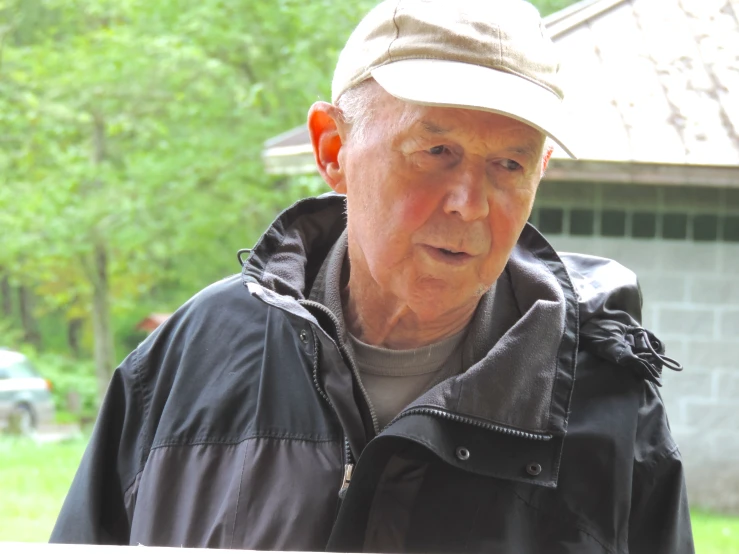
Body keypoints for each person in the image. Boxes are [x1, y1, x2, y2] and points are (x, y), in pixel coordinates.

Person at [51, 0, 694, 552]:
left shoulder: (606, 402)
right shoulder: (191, 359)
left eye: (508, 164)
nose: (469, 202)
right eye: (435, 152)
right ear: (332, 149)